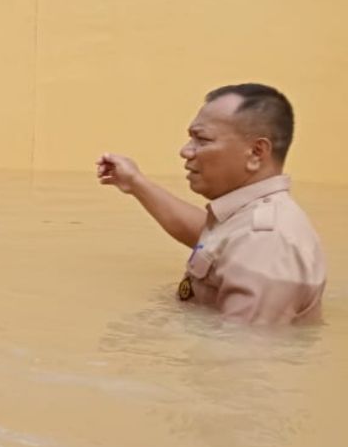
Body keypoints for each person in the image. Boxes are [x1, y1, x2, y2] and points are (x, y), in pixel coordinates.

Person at [97, 83, 325, 324]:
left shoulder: (265, 242)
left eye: (202, 139)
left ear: (256, 152)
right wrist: (135, 182)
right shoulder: (248, 223)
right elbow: (212, 238)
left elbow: (245, 345)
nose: (186, 151)